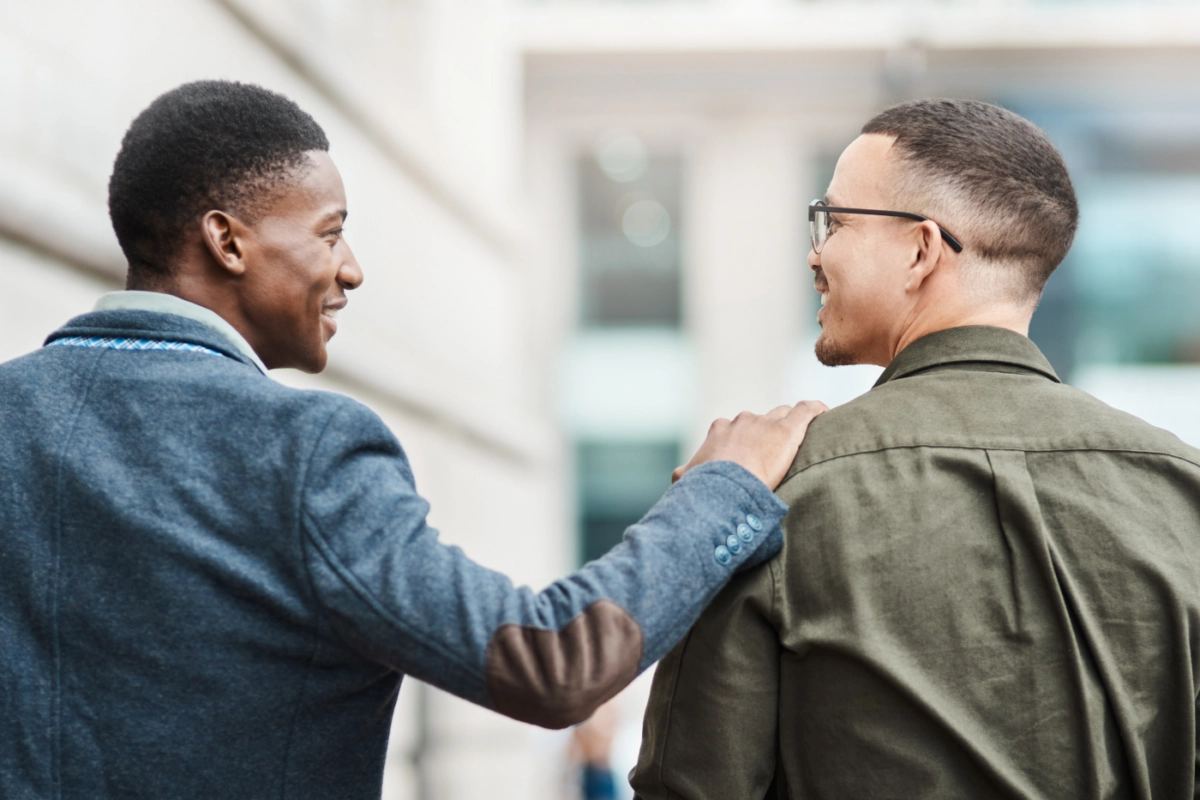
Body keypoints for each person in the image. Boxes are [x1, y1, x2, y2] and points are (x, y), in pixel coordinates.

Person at [0, 80, 828, 800]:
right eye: (330, 233)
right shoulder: (306, 453)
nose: (352, 268)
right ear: (228, 242)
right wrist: (725, 487)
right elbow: (552, 660)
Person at [631, 99, 1200, 799]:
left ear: (922, 250)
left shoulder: (767, 492)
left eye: (833, 222)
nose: (815, 252)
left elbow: (690, 784)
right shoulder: (1183, 491)